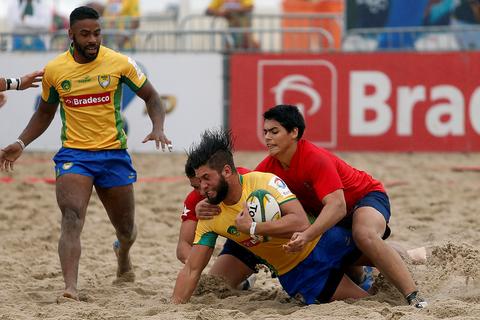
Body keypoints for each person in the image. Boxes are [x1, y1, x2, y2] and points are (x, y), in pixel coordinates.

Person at [0, 6, 171, 301]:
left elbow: (152, 96)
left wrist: (158, 127)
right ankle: (70, 287)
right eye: (85, 34)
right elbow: (44, 113)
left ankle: (123, 254)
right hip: (75, 156)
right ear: (70, 35)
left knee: (127, 229)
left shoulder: (119, 63)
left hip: (113, 155)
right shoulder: (56, 70)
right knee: (71, 216)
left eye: (97, 33)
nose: (93, 39)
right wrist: (21, 142)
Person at [254, 104, 427, 308]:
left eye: (274, 132)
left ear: (294, 132)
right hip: (334, 215)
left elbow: (337, 206)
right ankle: (412, 257)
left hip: (365, 198)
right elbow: (245, 187)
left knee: (363, 234)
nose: (267, 137)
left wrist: (307, 235)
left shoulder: (313, 157)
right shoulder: (268, 166)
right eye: (265, 132)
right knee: (341, 249)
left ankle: (414, 296)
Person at [171, 128, 370, 304]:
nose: (202, 188)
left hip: (324, 241)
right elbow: (191, 269)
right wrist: (174, 308)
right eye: (198, 182)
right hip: (299, 271)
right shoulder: (207, 211)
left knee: (377, 251)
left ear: (226, 171)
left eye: (206, 178)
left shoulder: (262, 181)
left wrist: (252, 228)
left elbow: (300, 222)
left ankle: (385, 264)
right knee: (367, 301)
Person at [177, 161, 259, 289]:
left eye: (205, 182)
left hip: (273, 239)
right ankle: (244, 282)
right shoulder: (194, 199)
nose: (202, 192)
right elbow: (183, 246)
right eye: (195, 187)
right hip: (242, 246)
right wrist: (194, 265)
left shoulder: (243, 178)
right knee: (214, 287)